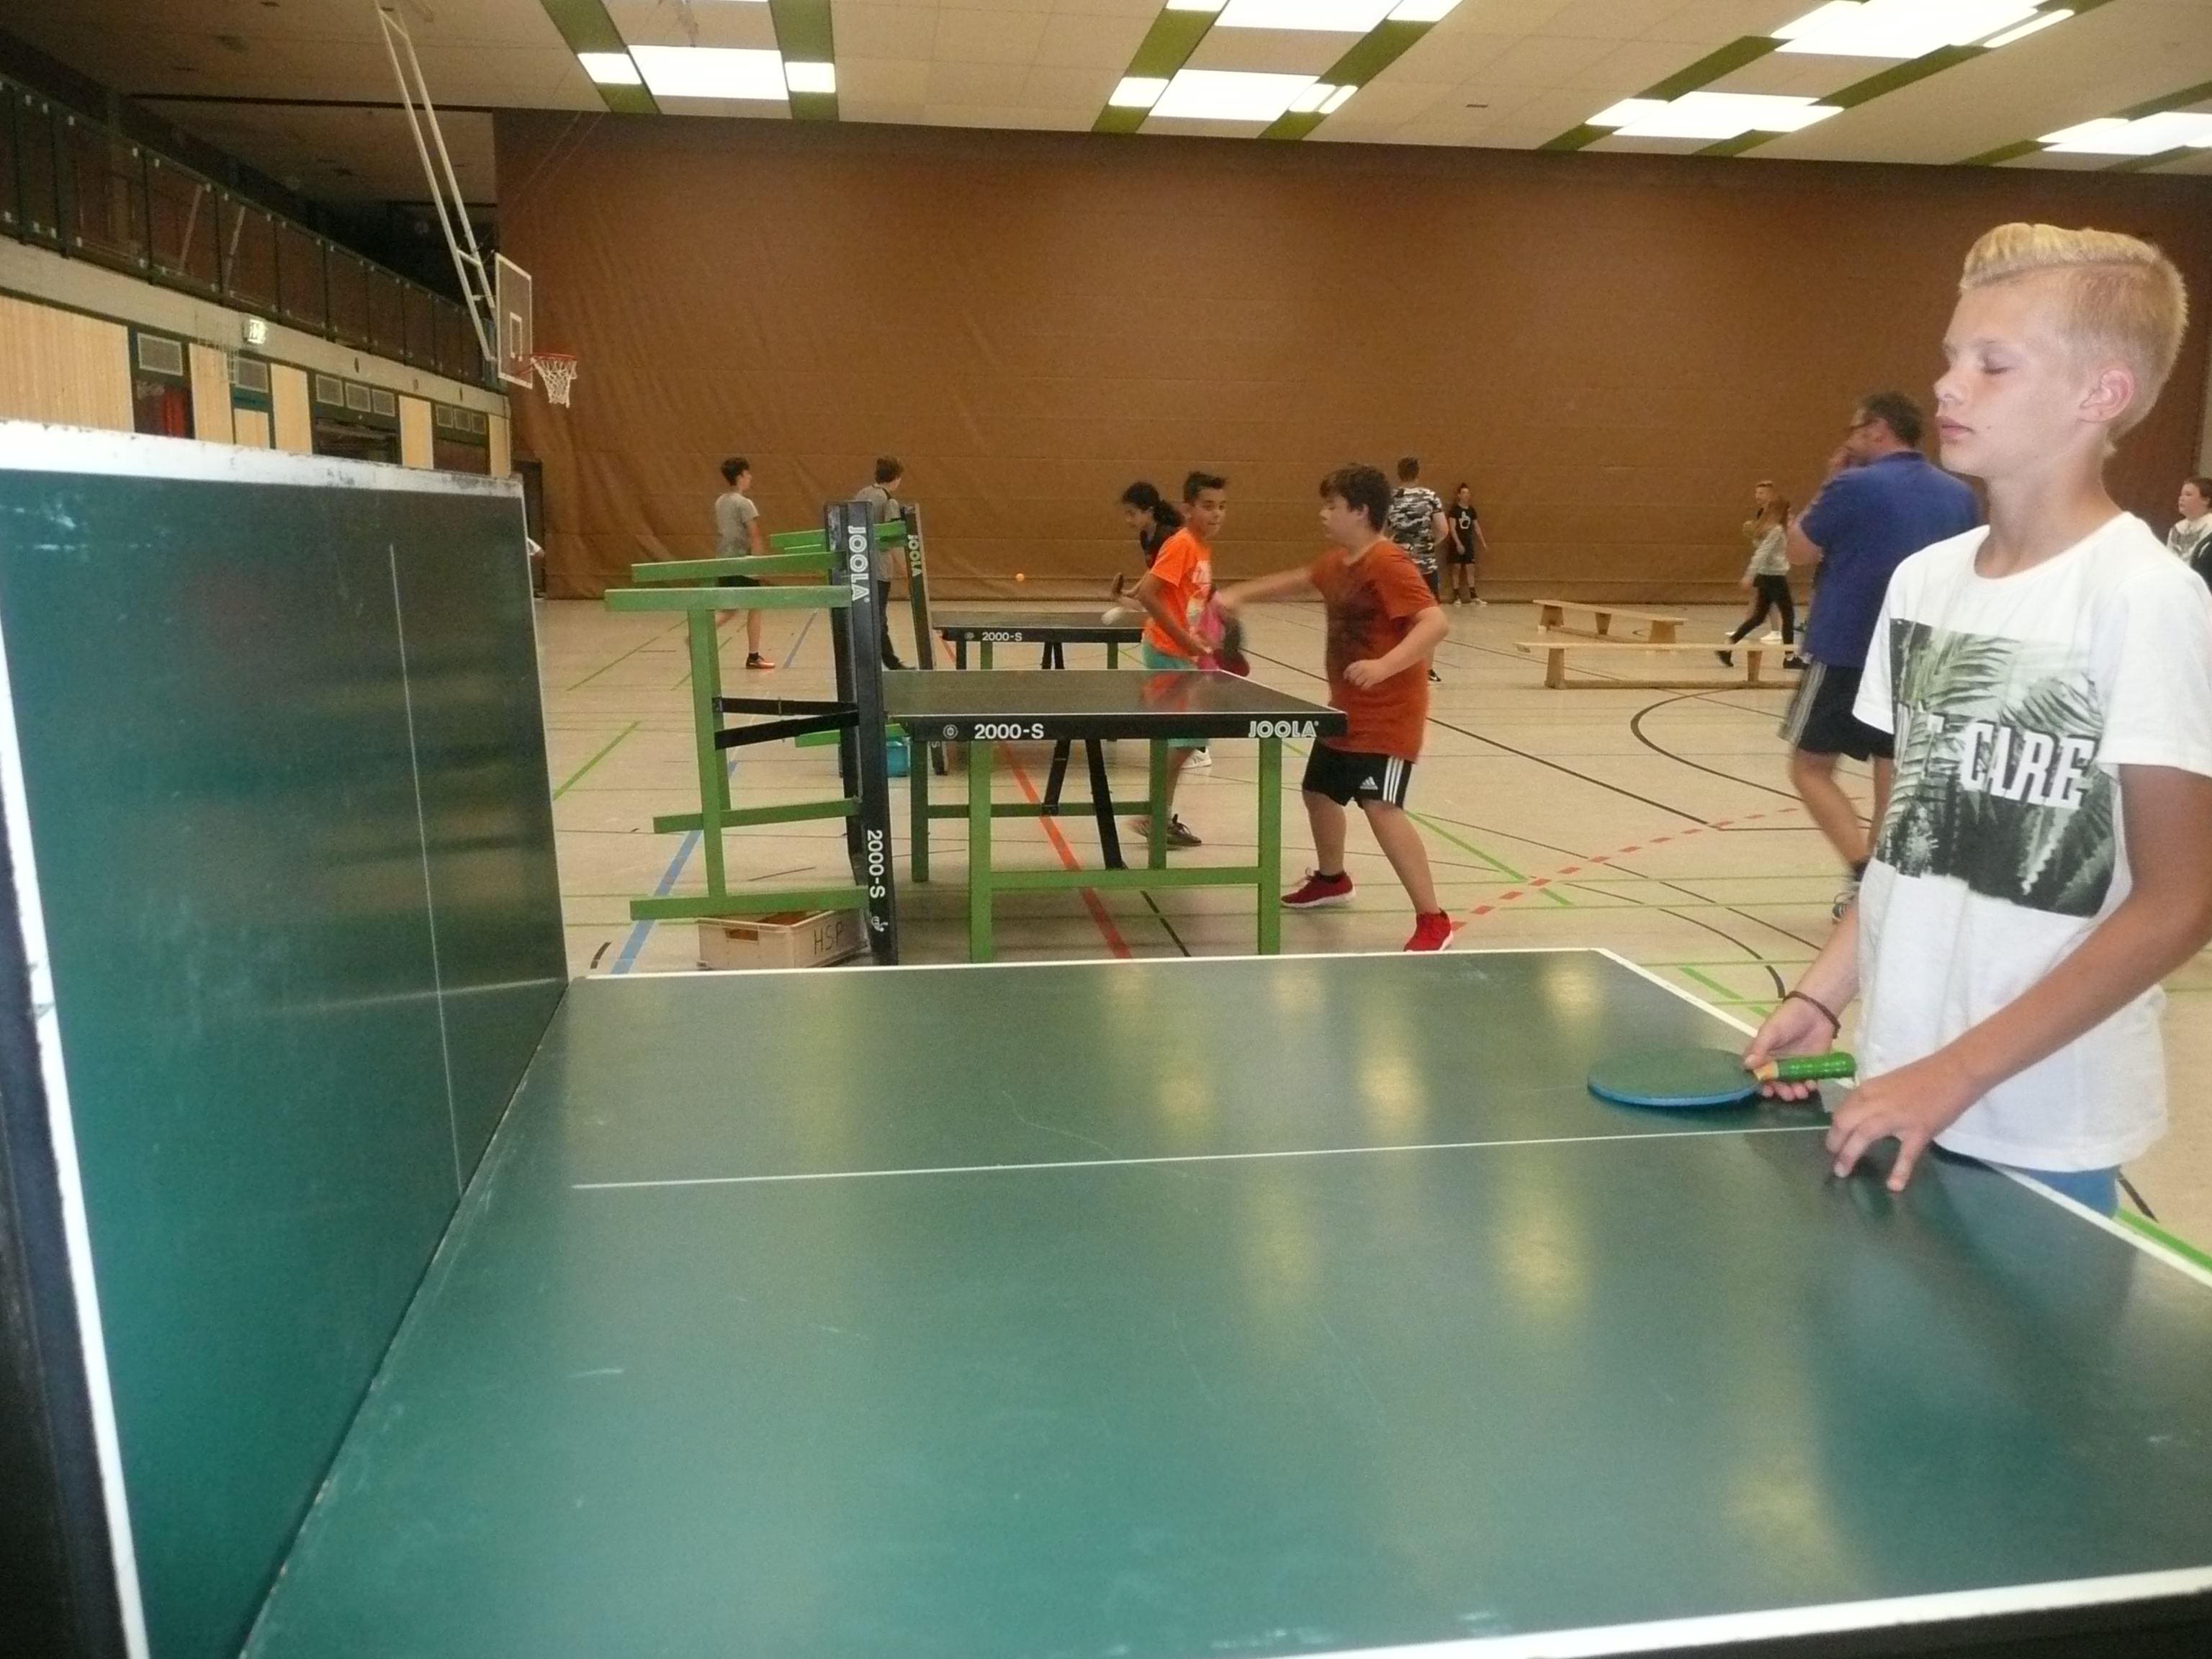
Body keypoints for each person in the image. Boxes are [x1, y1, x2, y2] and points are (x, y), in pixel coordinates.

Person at [1748, 222, 2212, 1214]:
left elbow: (2181, 901)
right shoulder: (1925, 584)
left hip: (2041, 1117)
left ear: (2102, 394)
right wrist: (1824, 992)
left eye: (1992, 365)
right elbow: (1912, 841)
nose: (1949, 386)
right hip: (1897, 1082)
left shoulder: (2143, 598)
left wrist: (1958, 1072)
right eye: (1952, 358)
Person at [1218, 464, 1455, 952]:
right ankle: (1332, 879)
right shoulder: (1340, 564)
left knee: (1381, 807)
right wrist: (1238, 594)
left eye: (1333, 506)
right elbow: (1299, 580)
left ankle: (1433, 919)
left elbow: (1435, 623)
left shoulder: (1388, 563)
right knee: (1319, 792)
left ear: (1361, 512)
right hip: (1345, 710)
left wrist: (1385, 665)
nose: (1323, 514)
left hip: (1389, 714)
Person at [1784, 392, 1979, 915]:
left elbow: (1797, 551)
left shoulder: (1852, 484)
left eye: (1854, 428)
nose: (1848, 440)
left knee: (1809, 767)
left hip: (1847, 648)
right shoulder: (1959, 496)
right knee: (1892, 775)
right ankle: (1878, 892)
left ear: (1877, 428)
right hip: (1922, 656)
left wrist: (1830, 480)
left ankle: (1861, 870)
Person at [1128, 472, 1226, 848]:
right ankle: (1154, 814)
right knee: (1187, 738)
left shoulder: (1201, 548)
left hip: (1182, 651)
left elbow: (1187, 599)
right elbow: (1149, 594)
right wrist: (1184, 638)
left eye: (1222, 507)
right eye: (1208, 506)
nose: (1216, 514)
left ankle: (1158, 815)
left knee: (1183, 740)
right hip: (1166, 651)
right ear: (1187, 509)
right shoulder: (1182, 544)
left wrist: (1201, 633)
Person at [1385, 457, 1449, 680]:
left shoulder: (1391, 499)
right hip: (1425, 566)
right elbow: (1443, 529)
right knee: (1429, 619)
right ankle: (1426, 670)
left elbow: (1381, 531)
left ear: (1399, 473)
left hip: (1397, 565)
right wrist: (1428, 544)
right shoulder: (1430, 497)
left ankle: (1396, 667)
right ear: (1418, 473)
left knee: (1397, 618)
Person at [1719, 487, 1795, 667]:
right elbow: (1762, 553)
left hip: (1767, 577)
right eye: (1788, 512)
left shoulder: (1769, 528)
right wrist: (1748, 576)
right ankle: (1790, 657)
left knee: (1759, 617)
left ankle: (1728, 646)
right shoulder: (1776, 530)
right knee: (1789, 615)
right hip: (1774, 578)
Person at [713, 457, 774, 670]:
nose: (750, 478)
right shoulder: (744, 503)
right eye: (747, 474)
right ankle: (754, 656)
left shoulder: (720, 502)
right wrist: (758, 565)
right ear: (740, 477)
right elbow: (754, 534)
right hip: (741, 562)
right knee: (756, 604)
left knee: (729, 610)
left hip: (723, 560)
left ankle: (698, 634)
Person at [855, 456, 907, 669]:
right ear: (896, 478)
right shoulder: (889, 502)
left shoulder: (862, 494)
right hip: (879, 569)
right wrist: (907, 570)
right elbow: (892, 540)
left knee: (869, 617)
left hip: (859, 566)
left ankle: (888, 661)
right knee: (878, 618)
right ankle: (883, 663)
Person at [1106, 482, 1183, 620]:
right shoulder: (1145, 536)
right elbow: (1154, 569)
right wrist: (1133, 591)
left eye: (1132, 514)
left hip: (1182, 596)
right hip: (1166, 588)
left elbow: (1160, 575)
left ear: (1149, 511)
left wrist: (1123, 597)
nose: (1128, 520)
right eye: (1127, 514)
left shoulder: (1166, 537)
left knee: (1146, 604)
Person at [1444, 483, 1487, 605]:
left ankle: (1473, 595)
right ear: (1459, 495)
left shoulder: (1471, 510)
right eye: (1463, 493)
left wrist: (1483, 541)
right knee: (1456, 569)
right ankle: (1456, 595)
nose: (1466, 495)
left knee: (1470, 568)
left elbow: (1476, 527)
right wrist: (1458, 544)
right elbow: (1452, 528)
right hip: (1457, 543)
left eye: (1468, 493)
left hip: (1468, 543)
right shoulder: (1454, 510)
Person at [2168, 475, 2211, 577]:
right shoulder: (2177, 527)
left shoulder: (2210, 526)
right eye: (2181, 494)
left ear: (2206, 500)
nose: (2181, 498)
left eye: (2188, 495)